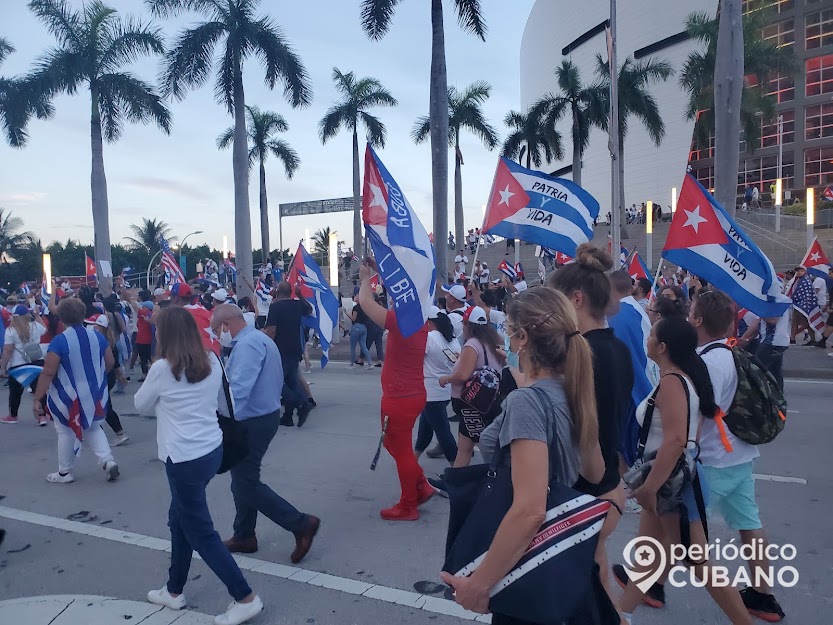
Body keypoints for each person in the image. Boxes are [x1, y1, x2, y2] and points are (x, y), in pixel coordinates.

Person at [441, 288, 605, 623]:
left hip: (529, 556)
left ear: (524, 337)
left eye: (509, 330)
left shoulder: (527, 402)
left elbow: (530, 510)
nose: (507, 339)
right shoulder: (573, 389)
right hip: (559, 553)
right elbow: (596, 470)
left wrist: (479, 584)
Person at [616, 317, 752, 625]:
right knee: (650, 557)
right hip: (672, 479)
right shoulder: (685, 378)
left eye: (651, 334)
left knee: (699, 562)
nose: (646, 337)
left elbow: (677, 440)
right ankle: (619, 615)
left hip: (671, 483)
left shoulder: (672, 382)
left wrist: (650, 486)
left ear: (662, 347)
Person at [135, 306, 263, 625]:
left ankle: (244, 597)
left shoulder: (163, 368)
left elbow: (141, 405)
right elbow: (220, 401)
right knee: (180, 518)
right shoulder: (212, 361)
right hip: (211, 450)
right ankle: (174, 589)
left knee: (200, 532)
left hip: (183, 457)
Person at [688, 290, 786, 622]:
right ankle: (762, 595)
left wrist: (685, 452)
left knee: (678, 531)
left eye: (691, 312)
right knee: (749, 522)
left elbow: (700, 412)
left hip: (714, 459)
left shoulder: (705, 361)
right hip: (741, 453)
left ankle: (647, 585)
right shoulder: (729, 352)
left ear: (698, 320)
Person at [549, 244, 633, 599]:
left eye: (557, 302)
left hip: (584, 491)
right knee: (597, 585)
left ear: (577, 300)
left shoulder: (580, 354)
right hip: (608, 487)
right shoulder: (617, 347)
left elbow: (582, 433)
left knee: (573, 595)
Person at [210, 305, 321, 562]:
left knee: (245, 482)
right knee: (242, 480)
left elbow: (237, 391)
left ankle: (300, 523)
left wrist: (214, 415)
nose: (217, 336)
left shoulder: (248, 345)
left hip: (252, 420)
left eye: (217, 329)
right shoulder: (258, 339)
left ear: (226, 324)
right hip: (260, 417)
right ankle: (244, 535)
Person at [358, 260, 432, 521]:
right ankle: (420, 485)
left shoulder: (401, 320)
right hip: (411, 394)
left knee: (400, 451)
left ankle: (408, 504)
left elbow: (365, 303)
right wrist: (381, 266)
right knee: (393, 443)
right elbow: (400, 288)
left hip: (399, 398)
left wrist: (366, 277)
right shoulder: (419, 318)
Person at [32, 298, 119, 484]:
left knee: (65, 431)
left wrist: (37, 398)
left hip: (68, 397)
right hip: (94, 393)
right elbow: (110, 361)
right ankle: (107, 460)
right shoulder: (97, 336)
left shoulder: (60, 341)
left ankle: (65, 472)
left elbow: (48, 371)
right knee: (94, 427)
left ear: (61, 317)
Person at [438, 306, 506, 468]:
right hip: (488, 401)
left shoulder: (473, 344)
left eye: (464, 324)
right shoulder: (494, 342)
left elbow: (462, 375)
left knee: (471, 447)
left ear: (468, 325)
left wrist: (445, 379)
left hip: (471, 404)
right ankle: (456, 483)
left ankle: (468, 485)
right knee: (465, 446)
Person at [414, 307, 460, 464]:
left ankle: (457, 468)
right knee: (425, 428)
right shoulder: (452, 339)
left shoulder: (430, 337)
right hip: (445, 390)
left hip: (431, 391)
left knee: (443, 433)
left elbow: (417, 357)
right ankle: (414, 459)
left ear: (431, 321)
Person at [264, 281, 313, 427]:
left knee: (275, 381)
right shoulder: (297, 305)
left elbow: (271, 330)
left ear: (277, 292)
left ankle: (299, 402)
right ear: (291, 292)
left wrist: (266, 347)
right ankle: (288, 416)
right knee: (292, 380)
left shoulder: (275, 307)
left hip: (281, 350)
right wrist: (299, 294)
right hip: (295, 348)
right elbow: (309, 309)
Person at [85, 314, 129, 447]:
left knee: (102, 406)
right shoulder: (110, 341)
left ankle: (109, 434)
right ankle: (115, 432)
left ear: (99, 327)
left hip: (101, 376)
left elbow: (111, 363)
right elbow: (115, 364)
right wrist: (120, 376)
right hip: (108, 376)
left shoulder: (98, 342)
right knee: (103, 404)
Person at [0, 305, 47, 425]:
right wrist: (37, 316)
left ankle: (13, 416)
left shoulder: (11, 331)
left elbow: (8, 350)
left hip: (18, 365)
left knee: (15, 391)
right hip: (37, 362)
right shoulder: (35, 326)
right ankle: (42, 416)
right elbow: (44, 329)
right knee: (39, 390)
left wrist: (3, 366)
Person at [128, 289, 154, 381]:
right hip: (150, 339)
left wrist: (131, 296)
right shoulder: (152, 314)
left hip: (142, 339)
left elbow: (134, 306)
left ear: (147, 307)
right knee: (150, 357)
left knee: (143, 358)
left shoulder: (144, 313)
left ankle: (145, 375)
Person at [349, 296, 374, 368]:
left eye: (357, 296)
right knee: (363, 346)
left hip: (356, 326)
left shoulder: (356, 308)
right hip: (364, 327)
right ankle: (370, 363)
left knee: (353, 346)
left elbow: (354, 319)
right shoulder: (365, 307)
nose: (355, 297)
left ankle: (352, 363)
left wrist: (346, 313)